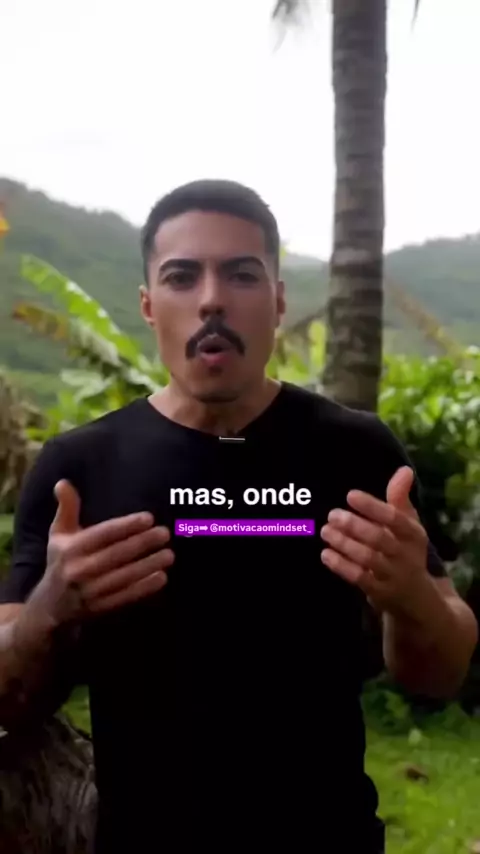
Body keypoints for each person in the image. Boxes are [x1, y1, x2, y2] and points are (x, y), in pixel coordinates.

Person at [0, 179, 477, 853]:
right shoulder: (79, 468)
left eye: (241, 275)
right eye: (181, 277)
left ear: (278, 302)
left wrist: (410, 595)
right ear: (148, 305)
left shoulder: (357, 451)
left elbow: (443, 673)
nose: (212, 299)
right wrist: (50, 608)